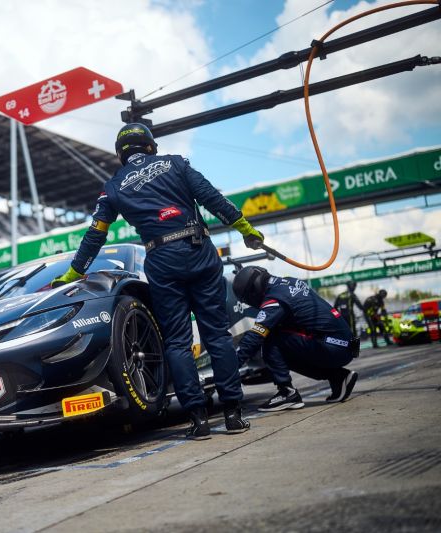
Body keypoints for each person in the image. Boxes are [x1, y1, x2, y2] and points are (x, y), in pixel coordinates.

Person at [51, 123, 264, 439]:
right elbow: (210, 197)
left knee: (177, 342)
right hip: (199, 250)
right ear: (150, 146)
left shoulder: (111, 187)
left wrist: (75, 272)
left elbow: (96, 233)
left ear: (122, 154)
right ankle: (232, 414)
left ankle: (198, 421)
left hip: (162, 261)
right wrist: (245, 228)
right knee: (217, 335)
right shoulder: (177, 163)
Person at [232, 266, 360, 412]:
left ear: (252, 291)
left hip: (333, 347)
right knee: (281, 341)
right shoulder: (288, 282)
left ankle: (287, 392)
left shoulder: (275, 298)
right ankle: (338, 377)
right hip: (342, 345)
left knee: (270, 337)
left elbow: (255, 336)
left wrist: (231, 366)